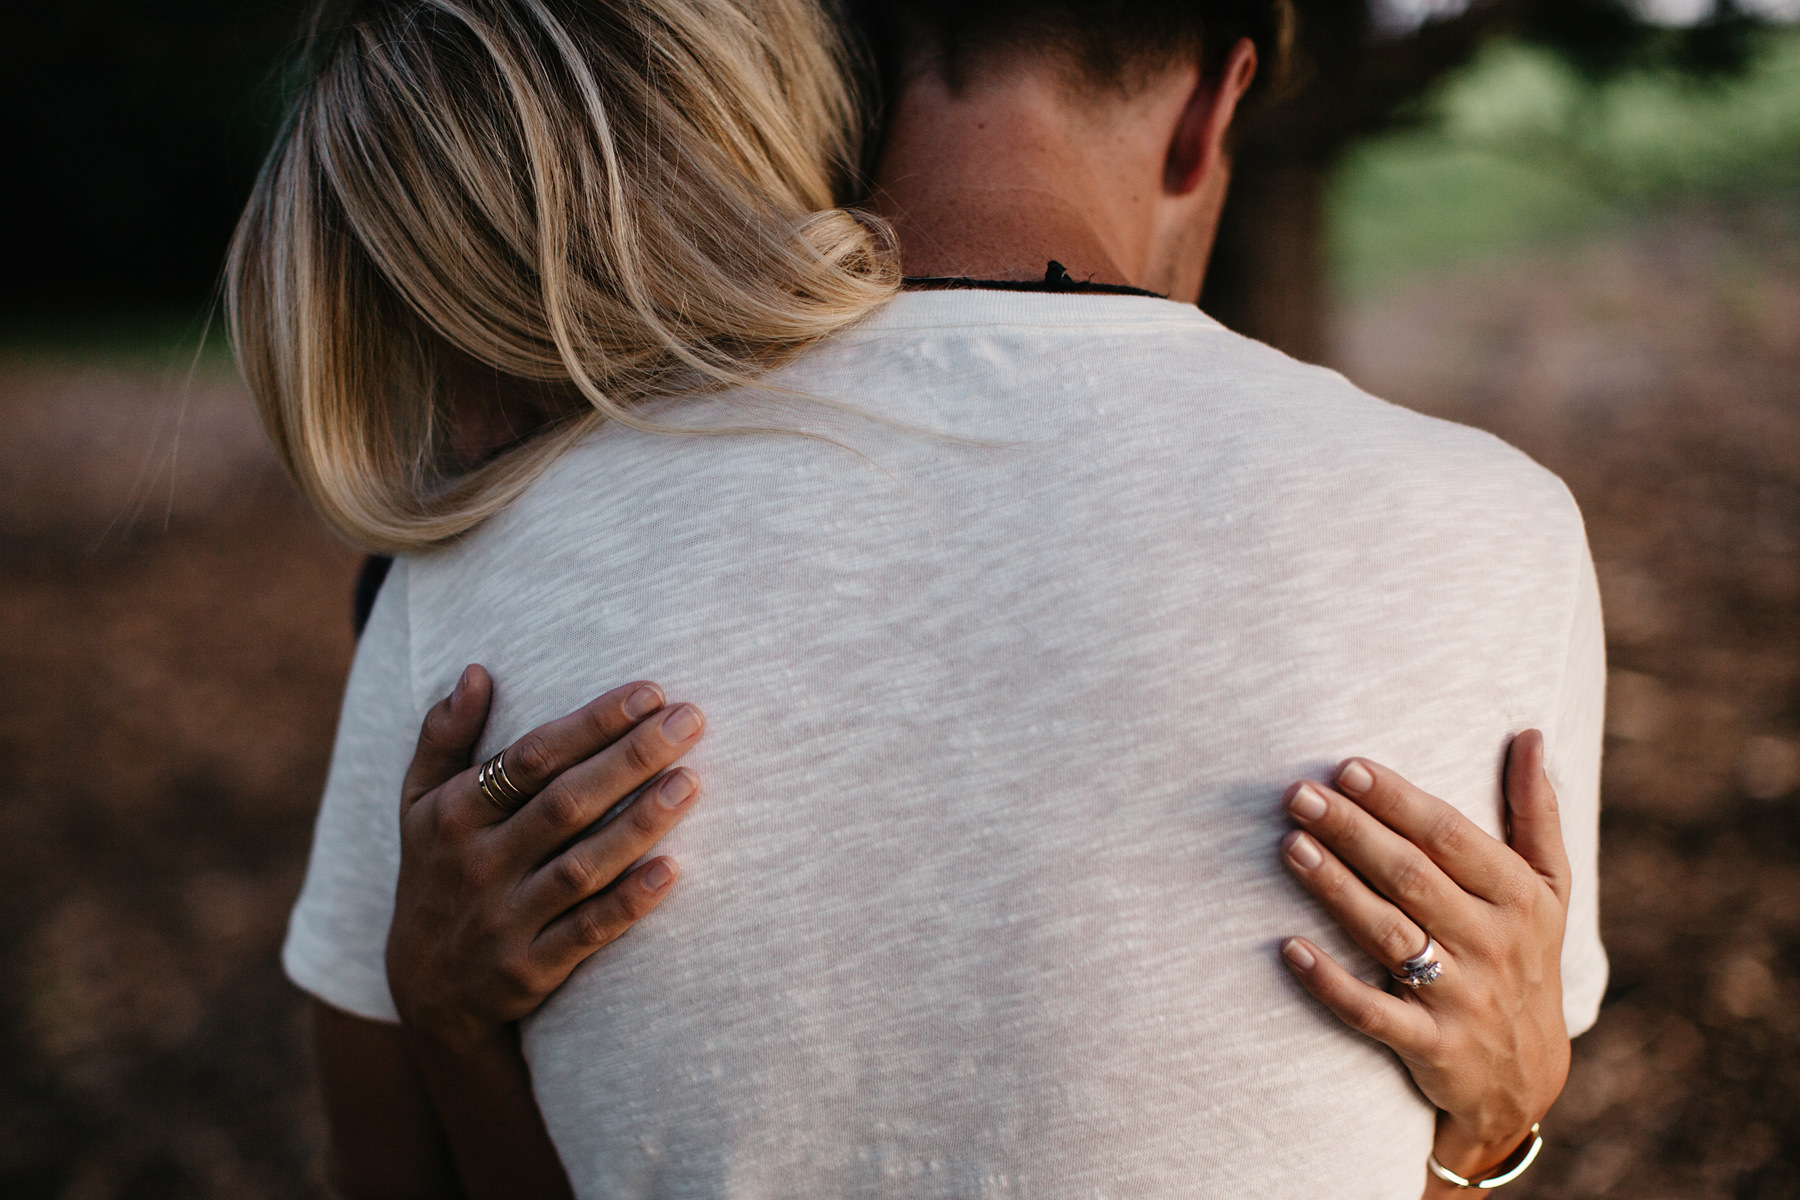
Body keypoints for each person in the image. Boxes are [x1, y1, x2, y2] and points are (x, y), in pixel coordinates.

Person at [228, 0, 1606, 1196]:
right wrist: (1490, 1132)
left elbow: (384, 1171)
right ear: (1210, 111)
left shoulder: (466, 566)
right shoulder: (1499, 529)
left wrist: (457, 1039)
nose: (468, 436)